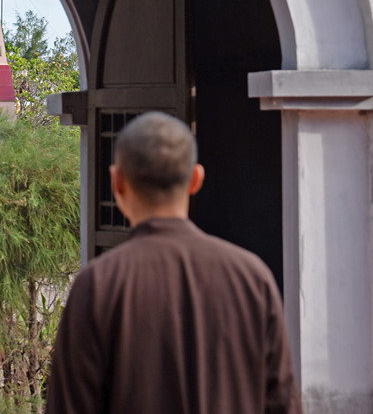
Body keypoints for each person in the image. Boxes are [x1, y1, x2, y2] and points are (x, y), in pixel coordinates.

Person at [45, 111, 302, 414]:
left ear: (117, 182)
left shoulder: (98, 286)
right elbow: (282, 404)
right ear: (196, 179)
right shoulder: (251, 279)